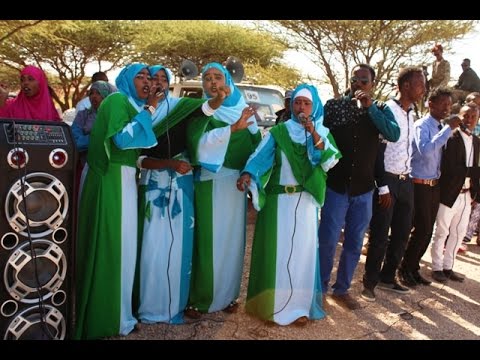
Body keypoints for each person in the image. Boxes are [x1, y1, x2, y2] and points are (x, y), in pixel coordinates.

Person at [237, 84, 341, 326]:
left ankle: (300, 308)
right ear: (290, 105)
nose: (301, 107)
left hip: (305, 204)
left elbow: (330, 162)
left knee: (302, 255)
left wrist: (313, 133)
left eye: (306, 103)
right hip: (278, 202)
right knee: (279, 253)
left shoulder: (322, 133)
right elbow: (258, 157)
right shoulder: (279, 132)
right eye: (297, 103)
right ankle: (272, 308)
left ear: (314, 106)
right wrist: (247, 174)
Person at [135, 64, 230, 324]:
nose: (158, 83)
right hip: (153, 186)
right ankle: (148, 306)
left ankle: (175, 304)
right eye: (152, 79)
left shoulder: (180, 107)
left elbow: (204, 109)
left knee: (179, 246)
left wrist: (220, 97)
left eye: (163, 79)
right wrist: (168, 163)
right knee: (152, 247)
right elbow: (138, 159)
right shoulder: (138, 113)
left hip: (182, 185)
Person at [74, 63, 160, 340]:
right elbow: (122, 141)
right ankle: (108, 315)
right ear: (125, 80)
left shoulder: (129, 104)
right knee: (114, 246)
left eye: (149, 77)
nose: (146, 81)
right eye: (140, 77)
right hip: (111, 180)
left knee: (124, 249)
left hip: (124, 179)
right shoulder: (116, 101)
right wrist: (149, 109)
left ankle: (122, 313)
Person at [317, 63, 400, 310]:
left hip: (364, 190)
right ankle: (319, 289)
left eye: (364, 81)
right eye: (355, 80)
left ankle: (341, 289)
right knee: (328, 240)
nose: (359, 85)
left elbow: (393, 135)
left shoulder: (381, 110)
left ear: (372, 85)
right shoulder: (333, 106)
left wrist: (369, 107)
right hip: (336, 186)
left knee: (354, 242)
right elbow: (320, 136)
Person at [184, 62, 261, 318]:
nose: (213, 83)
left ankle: (229, 295)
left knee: (233, 240)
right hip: (210, 180)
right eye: (207, 78)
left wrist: (250, 174)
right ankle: (202, 298)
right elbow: (198, 145)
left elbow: (256, 147)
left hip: (235, 185)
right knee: (208, 240)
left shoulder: (243, 111)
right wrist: (231, 129)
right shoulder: (201, 111)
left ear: (228, 81)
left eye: (218, 77)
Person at [362, 67, 426, 302]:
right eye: (420, 84)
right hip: (387, 180)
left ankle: (388, 277)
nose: (424, 89)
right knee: (380, 234)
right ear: (406, 86)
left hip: (405, 181)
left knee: (401, 234)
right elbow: (379, 151)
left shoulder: (411, 114)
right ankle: (369, 283)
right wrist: (382, 186)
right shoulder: (387, 109)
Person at [399, 87, 460, 287]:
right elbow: (425, 150)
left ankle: (413, 268)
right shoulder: (422, 125)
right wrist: (447, 130)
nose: (446, 108)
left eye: (449, 105)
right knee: (420, 228)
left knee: (427, 231)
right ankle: (404, 269)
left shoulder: (440, 126)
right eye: (443, 103)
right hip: (419, 184)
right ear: (430, 104)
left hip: (434, 184)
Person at [430, 103, 480, 283]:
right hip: (449, 193)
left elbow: (475, 168)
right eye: (466, 115)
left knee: (459, 232)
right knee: (442, 231)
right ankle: (436, 267)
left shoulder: (476, 141)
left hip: (467, 195)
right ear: (459, 116)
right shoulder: (451, 136)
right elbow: (449, 167)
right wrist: (471, 172)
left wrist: (475, 192)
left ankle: (448, 266)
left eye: (474, 116)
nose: (470, 119)